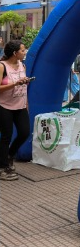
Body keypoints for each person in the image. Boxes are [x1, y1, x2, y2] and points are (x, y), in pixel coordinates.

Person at [0, 41, 31, 181]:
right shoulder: (2, 66)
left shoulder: (22, 65)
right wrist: (15, 83)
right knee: (6, 136)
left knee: (24, 132)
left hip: (20, 105)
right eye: (23, 50)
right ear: (15, 53)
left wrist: (26, 104)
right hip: (4, 106)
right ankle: (2, 168)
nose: (25, 52)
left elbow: (23, 88)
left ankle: (9, 155)